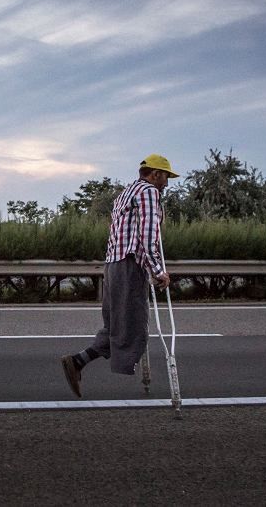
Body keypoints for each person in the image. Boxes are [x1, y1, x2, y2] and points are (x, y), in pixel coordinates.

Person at [60, 154, 178, 397]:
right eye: (166, 177)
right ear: (155, 174)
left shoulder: (125, 193)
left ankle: (77, 362)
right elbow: (146, 237)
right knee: (134, 327)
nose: (167, 183)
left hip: (113, 265)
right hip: (129, 266)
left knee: (116, 325)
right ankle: (85, 362)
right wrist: (157, 272)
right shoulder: (148, 193)